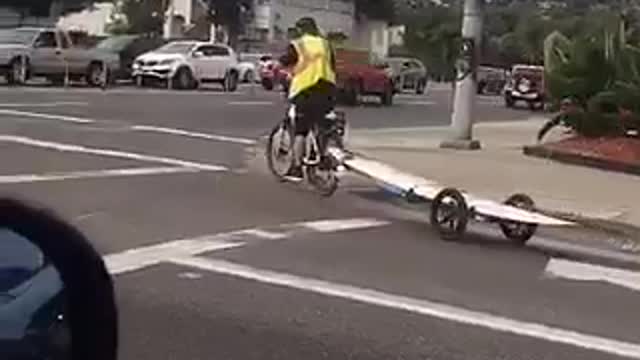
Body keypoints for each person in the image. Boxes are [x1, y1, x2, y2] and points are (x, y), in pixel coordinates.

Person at [279, 17, 337, 180]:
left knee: (301, 130)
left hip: (307, 89)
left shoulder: (298, 44)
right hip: (328, 88)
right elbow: (332, 64)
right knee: (321, 123)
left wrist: (284, 71)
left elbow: (286, 61)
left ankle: (296, 168)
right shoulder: (325, 44)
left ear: (300, 30)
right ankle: (323, 157)